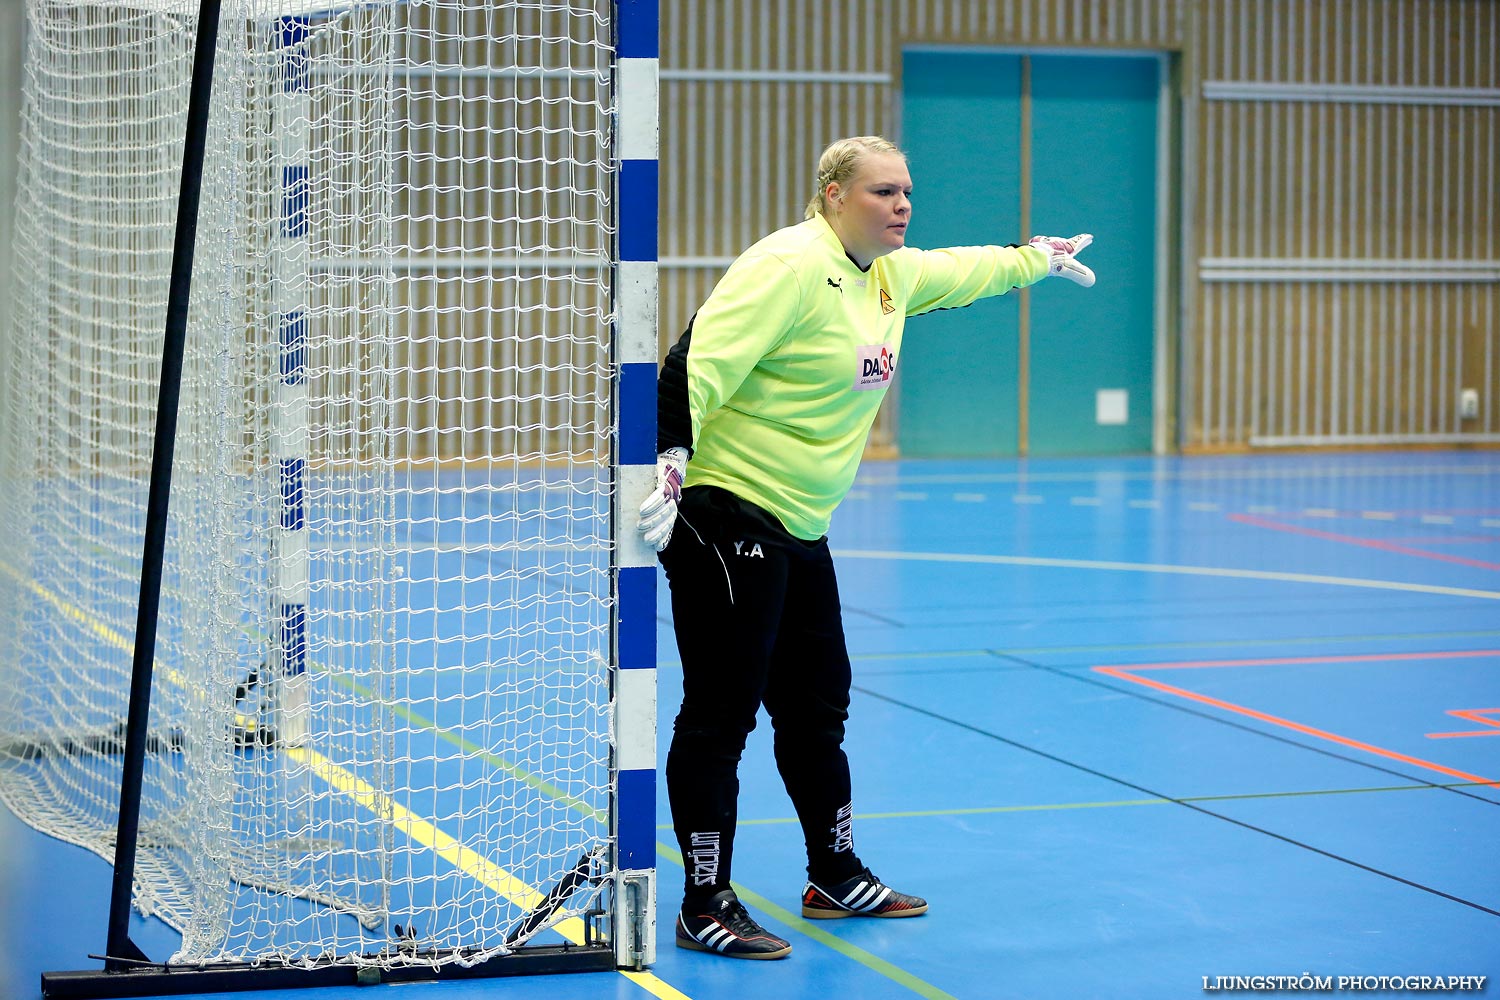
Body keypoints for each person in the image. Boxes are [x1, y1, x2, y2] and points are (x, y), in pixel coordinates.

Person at [637, 135, 1095, 960]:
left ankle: (833, 872)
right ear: (833, 195)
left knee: (818, 707)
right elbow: (693, 361)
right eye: (885, 192)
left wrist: (1035, 257)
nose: (903, 206)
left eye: (908, 192)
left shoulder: (891, 272)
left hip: (801, 520)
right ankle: (703, 901)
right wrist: (671, 460)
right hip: (724, 508)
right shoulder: (787, 265)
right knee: (721, 716)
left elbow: (968, 269)